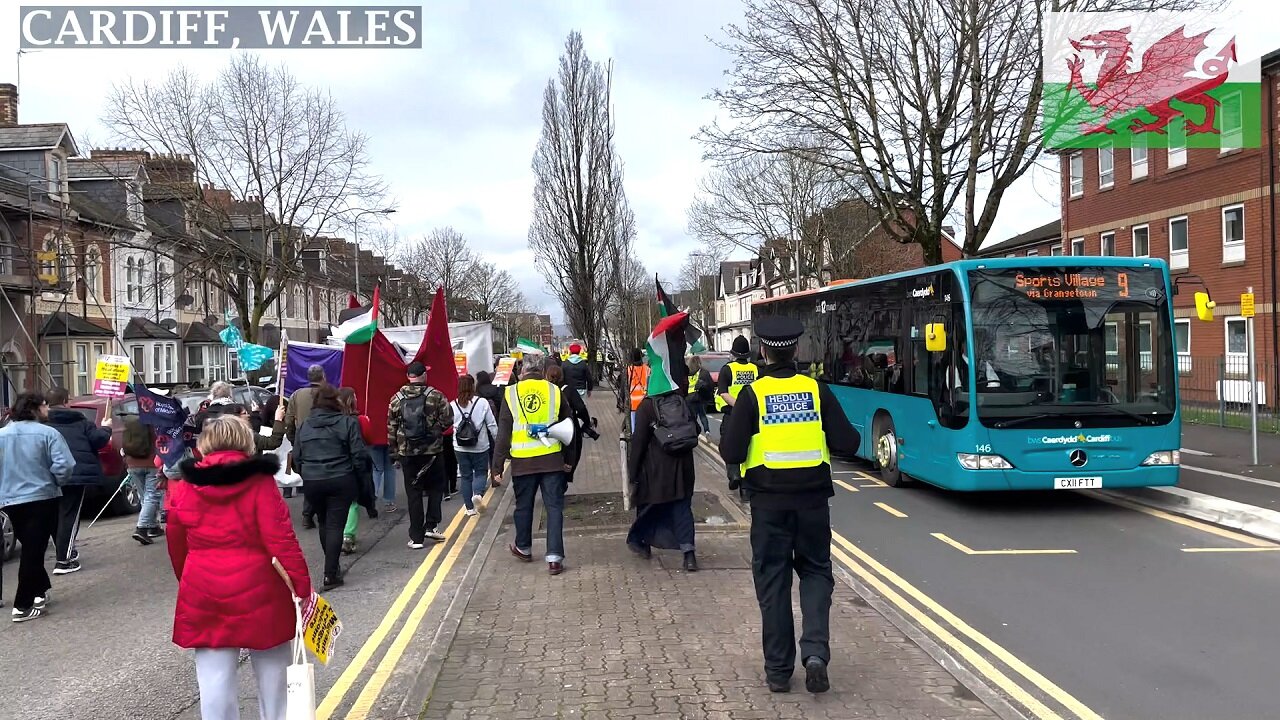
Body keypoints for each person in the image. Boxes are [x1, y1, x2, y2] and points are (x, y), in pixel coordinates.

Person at [718, 315, 861, 695]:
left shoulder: (753, 396)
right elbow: (849, 442)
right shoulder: (817, 391)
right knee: (815, 573)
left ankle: (779, 671)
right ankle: (814, 654)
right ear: (795, 350)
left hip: (768, 506)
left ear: (763, 352)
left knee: (773, 582)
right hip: (813, 502)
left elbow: (730, 451)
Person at [170, 415, 312, 720]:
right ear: (244, 441)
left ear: (205, 444)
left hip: (204, 587)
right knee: (275, 674)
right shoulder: (260, 483)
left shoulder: (184, 486)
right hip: (261, 587)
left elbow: (176, 539)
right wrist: (302, 588)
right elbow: (281, 539)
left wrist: (188, 577)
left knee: (214, 681)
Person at [490, 354, 572, 575]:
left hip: (522, 463)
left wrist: (497, 467)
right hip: (552, 460)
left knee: (524, 506)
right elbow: (568, 427)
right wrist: (569, 460)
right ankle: (554, 558)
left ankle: (524, 547)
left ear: (522, 371)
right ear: (542, 370)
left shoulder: (511, 393)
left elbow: (503, 432)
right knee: (554, 508)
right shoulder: (555, 391)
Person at [0, 393, 74, 622]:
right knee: (34, 551)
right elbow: (65, 465)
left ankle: (40, 590)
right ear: (34, 408)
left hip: (11, 499)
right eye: (45, 406)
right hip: (42, 496)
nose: (48, 410)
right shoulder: (48, 433)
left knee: (31, 544)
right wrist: (56, 481)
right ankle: (22, 605)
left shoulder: (2, 435)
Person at [293, 385, 371, 590]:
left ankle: (333, 567)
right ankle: (330, 574)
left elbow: (297, 456)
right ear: (335, 401)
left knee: (324, 522)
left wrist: (307, 473)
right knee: (336, 525)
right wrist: (357, 477)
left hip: (312, 480)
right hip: (340, 477)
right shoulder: (347, 422)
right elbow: (359, 455)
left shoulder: (304, 426)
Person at [626, 362, 699, 572]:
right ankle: (689, 554)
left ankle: (641, 542)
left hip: (657, 469)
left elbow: (638, 442)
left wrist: (633, 472)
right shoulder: (680, 402)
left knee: (649, 505)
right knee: (682, 508)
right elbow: (696, 428)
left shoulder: (647, 406)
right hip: (684, 466)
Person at [45, 386, 112, 575]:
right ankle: (63, 560)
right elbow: (98, 440)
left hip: (47, 475)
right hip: (75, 474)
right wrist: (106, 427)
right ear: (67, 401)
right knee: (70, 516)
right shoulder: (80, 420)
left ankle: (65, 551)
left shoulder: (42, 423)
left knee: (54, 515)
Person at [387, 361, 452, 549]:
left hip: (407, 452)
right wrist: (435, 430)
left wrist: (394, 452)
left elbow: (391, 427)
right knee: (435, 488)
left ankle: (416, 537)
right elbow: (448, 420)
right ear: (423, 375)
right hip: (433, 451)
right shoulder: (436, 395)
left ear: (409, 377)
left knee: (413, 493)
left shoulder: (396, 399)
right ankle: (432, 525)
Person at [286, 365, 329, 529]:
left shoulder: (296, 395)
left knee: (310, 478)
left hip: (303, 442)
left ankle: (309, 514)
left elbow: (289, 421)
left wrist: (294, 440)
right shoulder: (330, 394)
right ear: (323, 376)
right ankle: (313, 513)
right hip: (325, 441)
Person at [337, 387, 378, 554]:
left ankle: (338, 535)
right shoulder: (359, 420)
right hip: (354, 465)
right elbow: (369, 439)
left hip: (335, 464)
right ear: (352, 401)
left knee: (338, 503)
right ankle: (348, 535)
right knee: (352, 502)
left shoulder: (333, 421)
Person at [716, 336, 759, 499]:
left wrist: (738, 405)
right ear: (748, 354)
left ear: (733, 353)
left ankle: (734, 474)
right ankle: (746, 489)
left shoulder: (727, 369)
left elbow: (723, 393)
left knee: (728, 445)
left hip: (732, 413)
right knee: (748, 449)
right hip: (751, 414)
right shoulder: (755, 369)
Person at [451, 375, 498, 517]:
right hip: (480, 445)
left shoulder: (452, 404)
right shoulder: (482, 403)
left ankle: (469, 508)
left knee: (465, 476)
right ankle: (477, 493)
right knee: (481, 472)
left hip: (459, 447)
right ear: (473, 386)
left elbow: (447, 424)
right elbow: (491, 424)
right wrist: (498, 441)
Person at [545, 364, 593, 485]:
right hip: (569, 428)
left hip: (549, 429)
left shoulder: (544, 391)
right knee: (572, 453)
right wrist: (587, 423)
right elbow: (581, 408)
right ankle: (565, 477)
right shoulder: (569, 390)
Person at [122, 415, 165, 546]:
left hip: (132, 465)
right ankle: (141, 528)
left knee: (144, 497)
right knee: (152, 496)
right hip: (151, 464)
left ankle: (152, 526)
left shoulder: (130, 425)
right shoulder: (154, 424)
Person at [686, 355, 713, 435]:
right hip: (700, 396)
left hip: (689, 397)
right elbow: (710, 385)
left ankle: (693, 432)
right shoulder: (703, 372)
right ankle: (707, 430)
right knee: (702, 415)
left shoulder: (687, 372)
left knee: (692, 417)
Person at [624, 348, 649, 431]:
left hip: (633, 403)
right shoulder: (647, 369)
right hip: (645, 403)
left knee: (634, 428)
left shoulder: (628, 370)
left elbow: (625, 388)